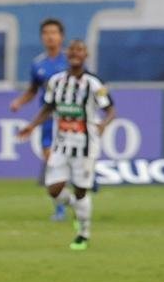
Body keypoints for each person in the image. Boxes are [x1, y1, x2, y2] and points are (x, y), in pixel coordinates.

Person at [18, 39, 115, 251]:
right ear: (67, 54)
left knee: (82, 190)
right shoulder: (56, 81)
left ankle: (83, 233)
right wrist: (32, 126)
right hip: (61, 144)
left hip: (85, 146)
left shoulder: (94, 83)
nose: (75, 53)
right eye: (72, 50)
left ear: (85, 55)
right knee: (53, 189)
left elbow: (110, 110)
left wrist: (103, 125)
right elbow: (49, 107)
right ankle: (75, 207)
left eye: (79, 50)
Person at [9, 18, 69, 220]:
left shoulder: (71, 61)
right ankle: (59, 208)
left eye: (54, 32)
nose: (50, 36)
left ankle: (79, 196)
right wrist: (19, 102)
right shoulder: (38, 64)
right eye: (46, 33)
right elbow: (33, 90)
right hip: (48, 119)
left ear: (61, 36)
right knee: (51, 162)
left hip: (71, 119)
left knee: (71, 162)